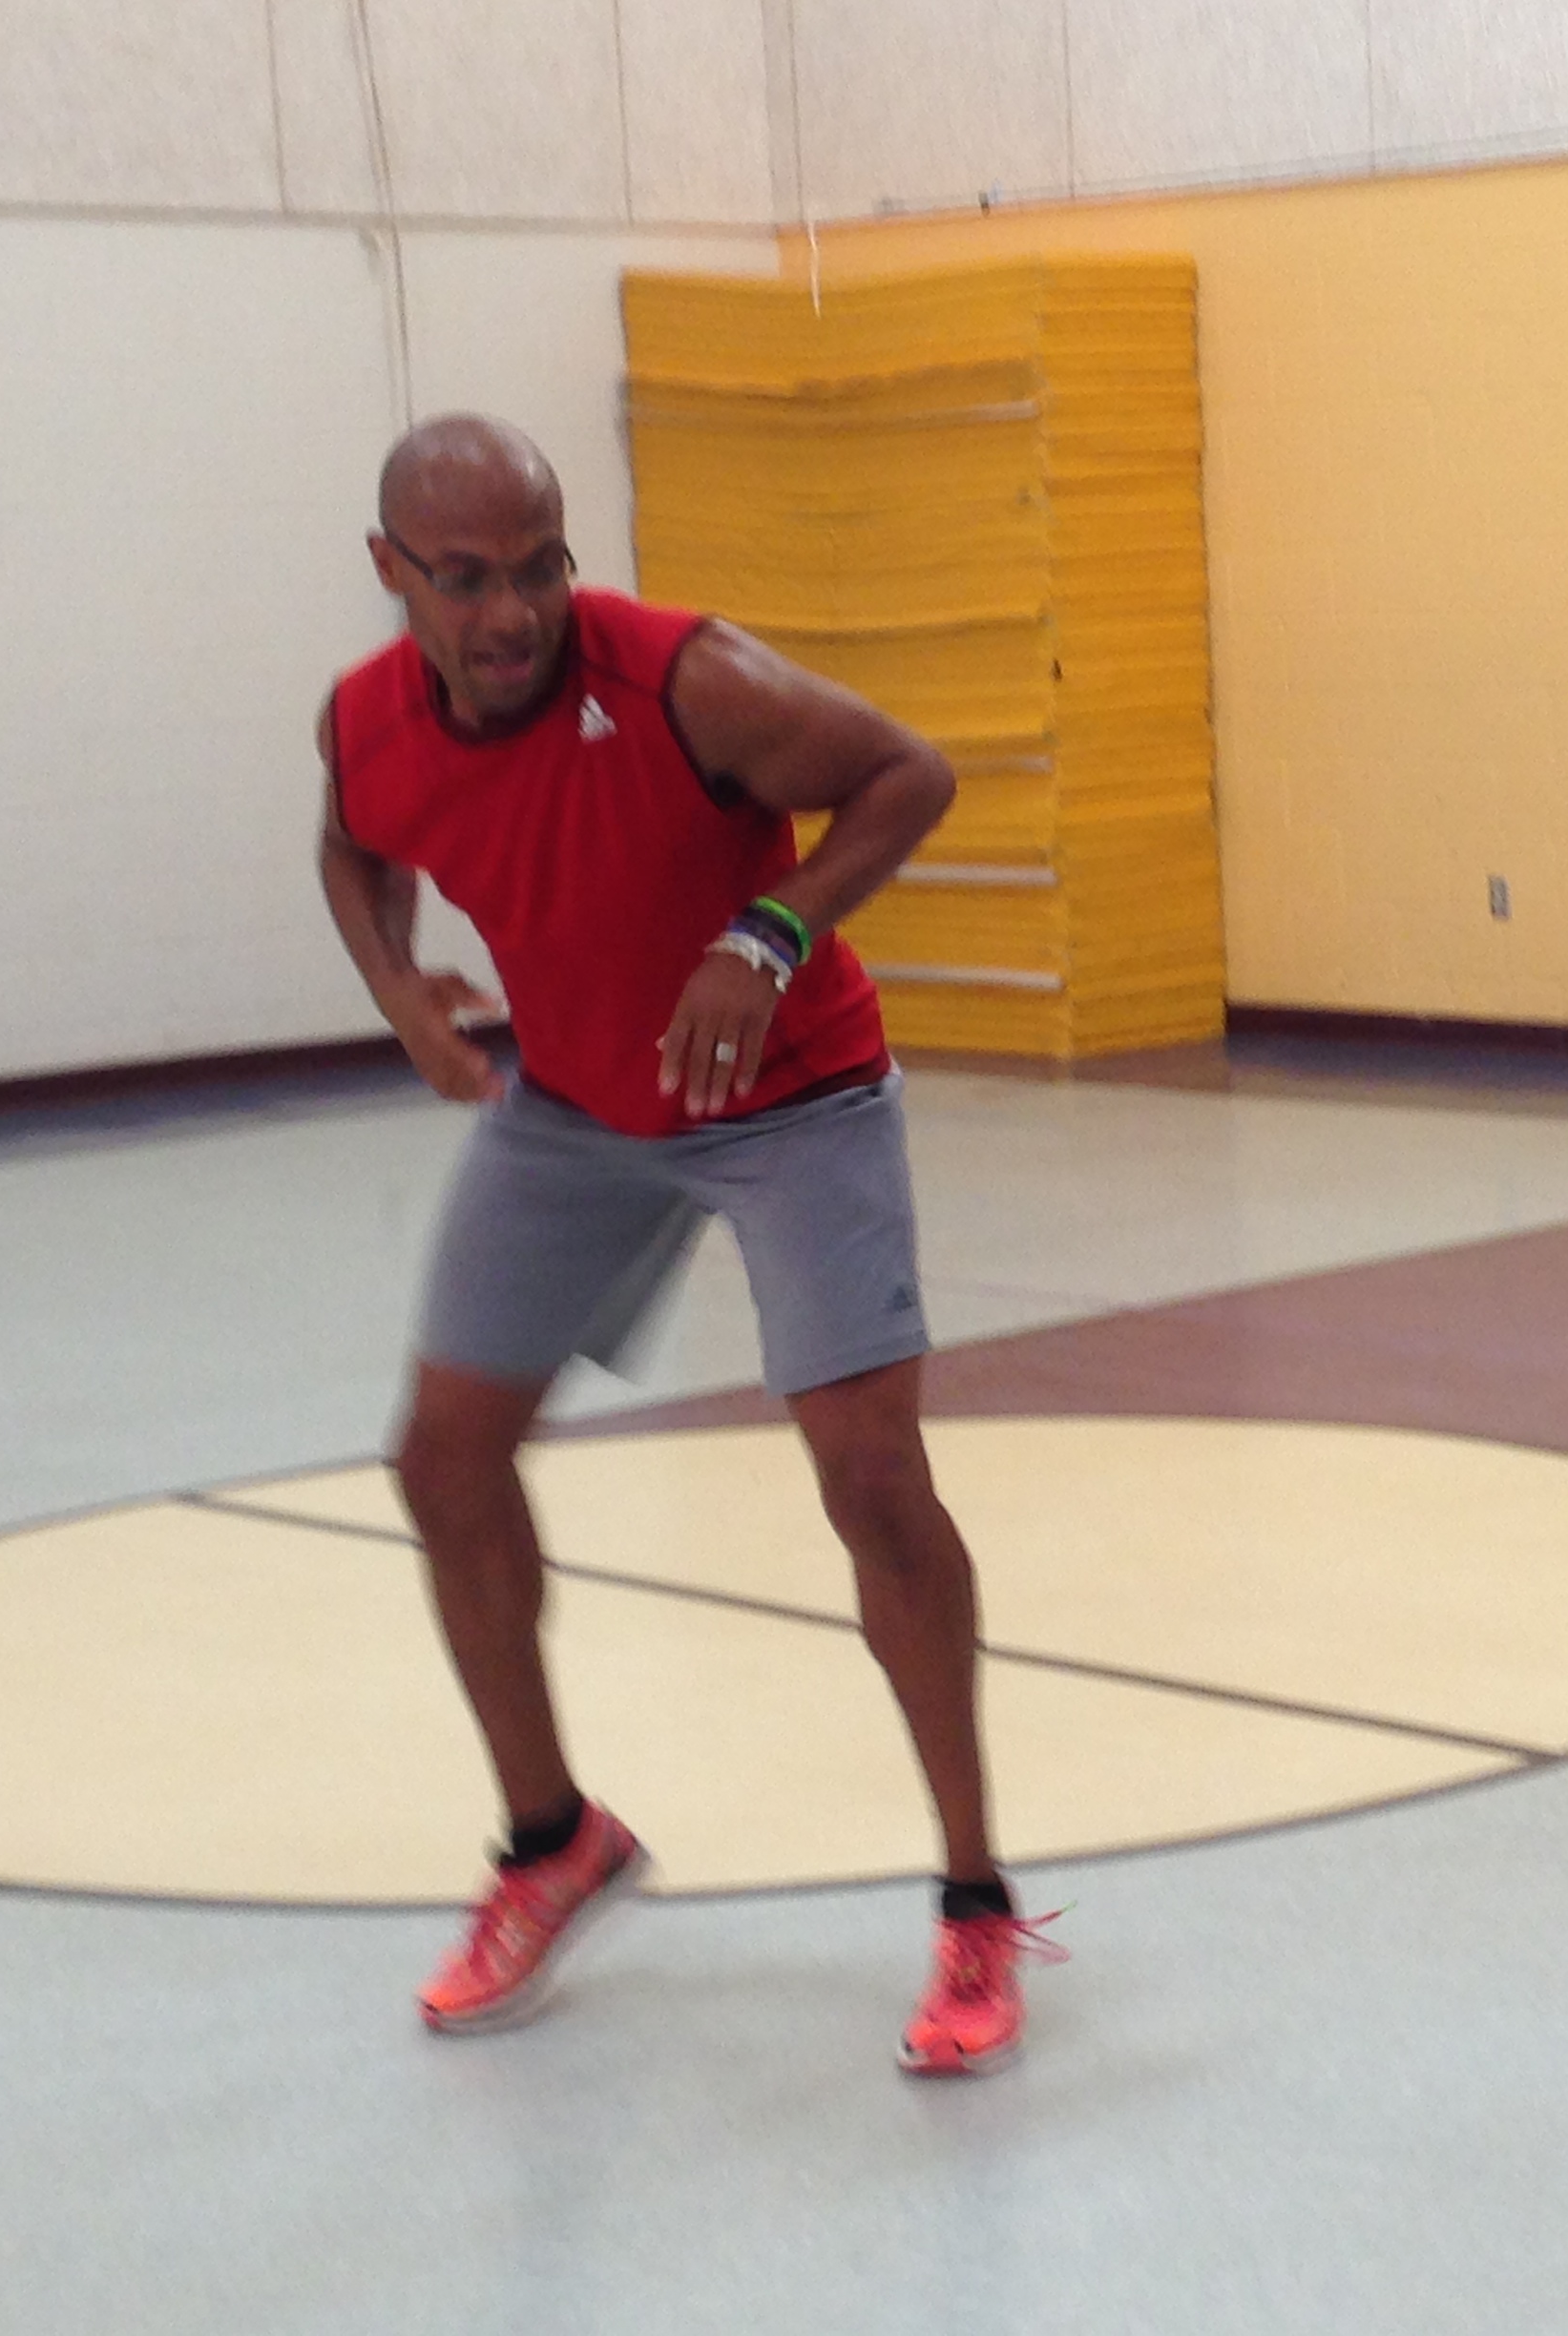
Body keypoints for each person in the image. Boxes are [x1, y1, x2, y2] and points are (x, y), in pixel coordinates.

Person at [316, 412, 1060, 2077]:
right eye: (465, 580)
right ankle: (550, 1842)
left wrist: (772, 928)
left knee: (872, 1478)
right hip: (577, 1103)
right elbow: (352, 841)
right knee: (443, 1463)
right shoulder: (366, 720)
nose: (511, 613)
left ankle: (975, 1901)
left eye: (540, 569)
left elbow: (910, 773)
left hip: (790, 1096)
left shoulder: (685, 683)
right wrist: (399, 987)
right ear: (392, 576)